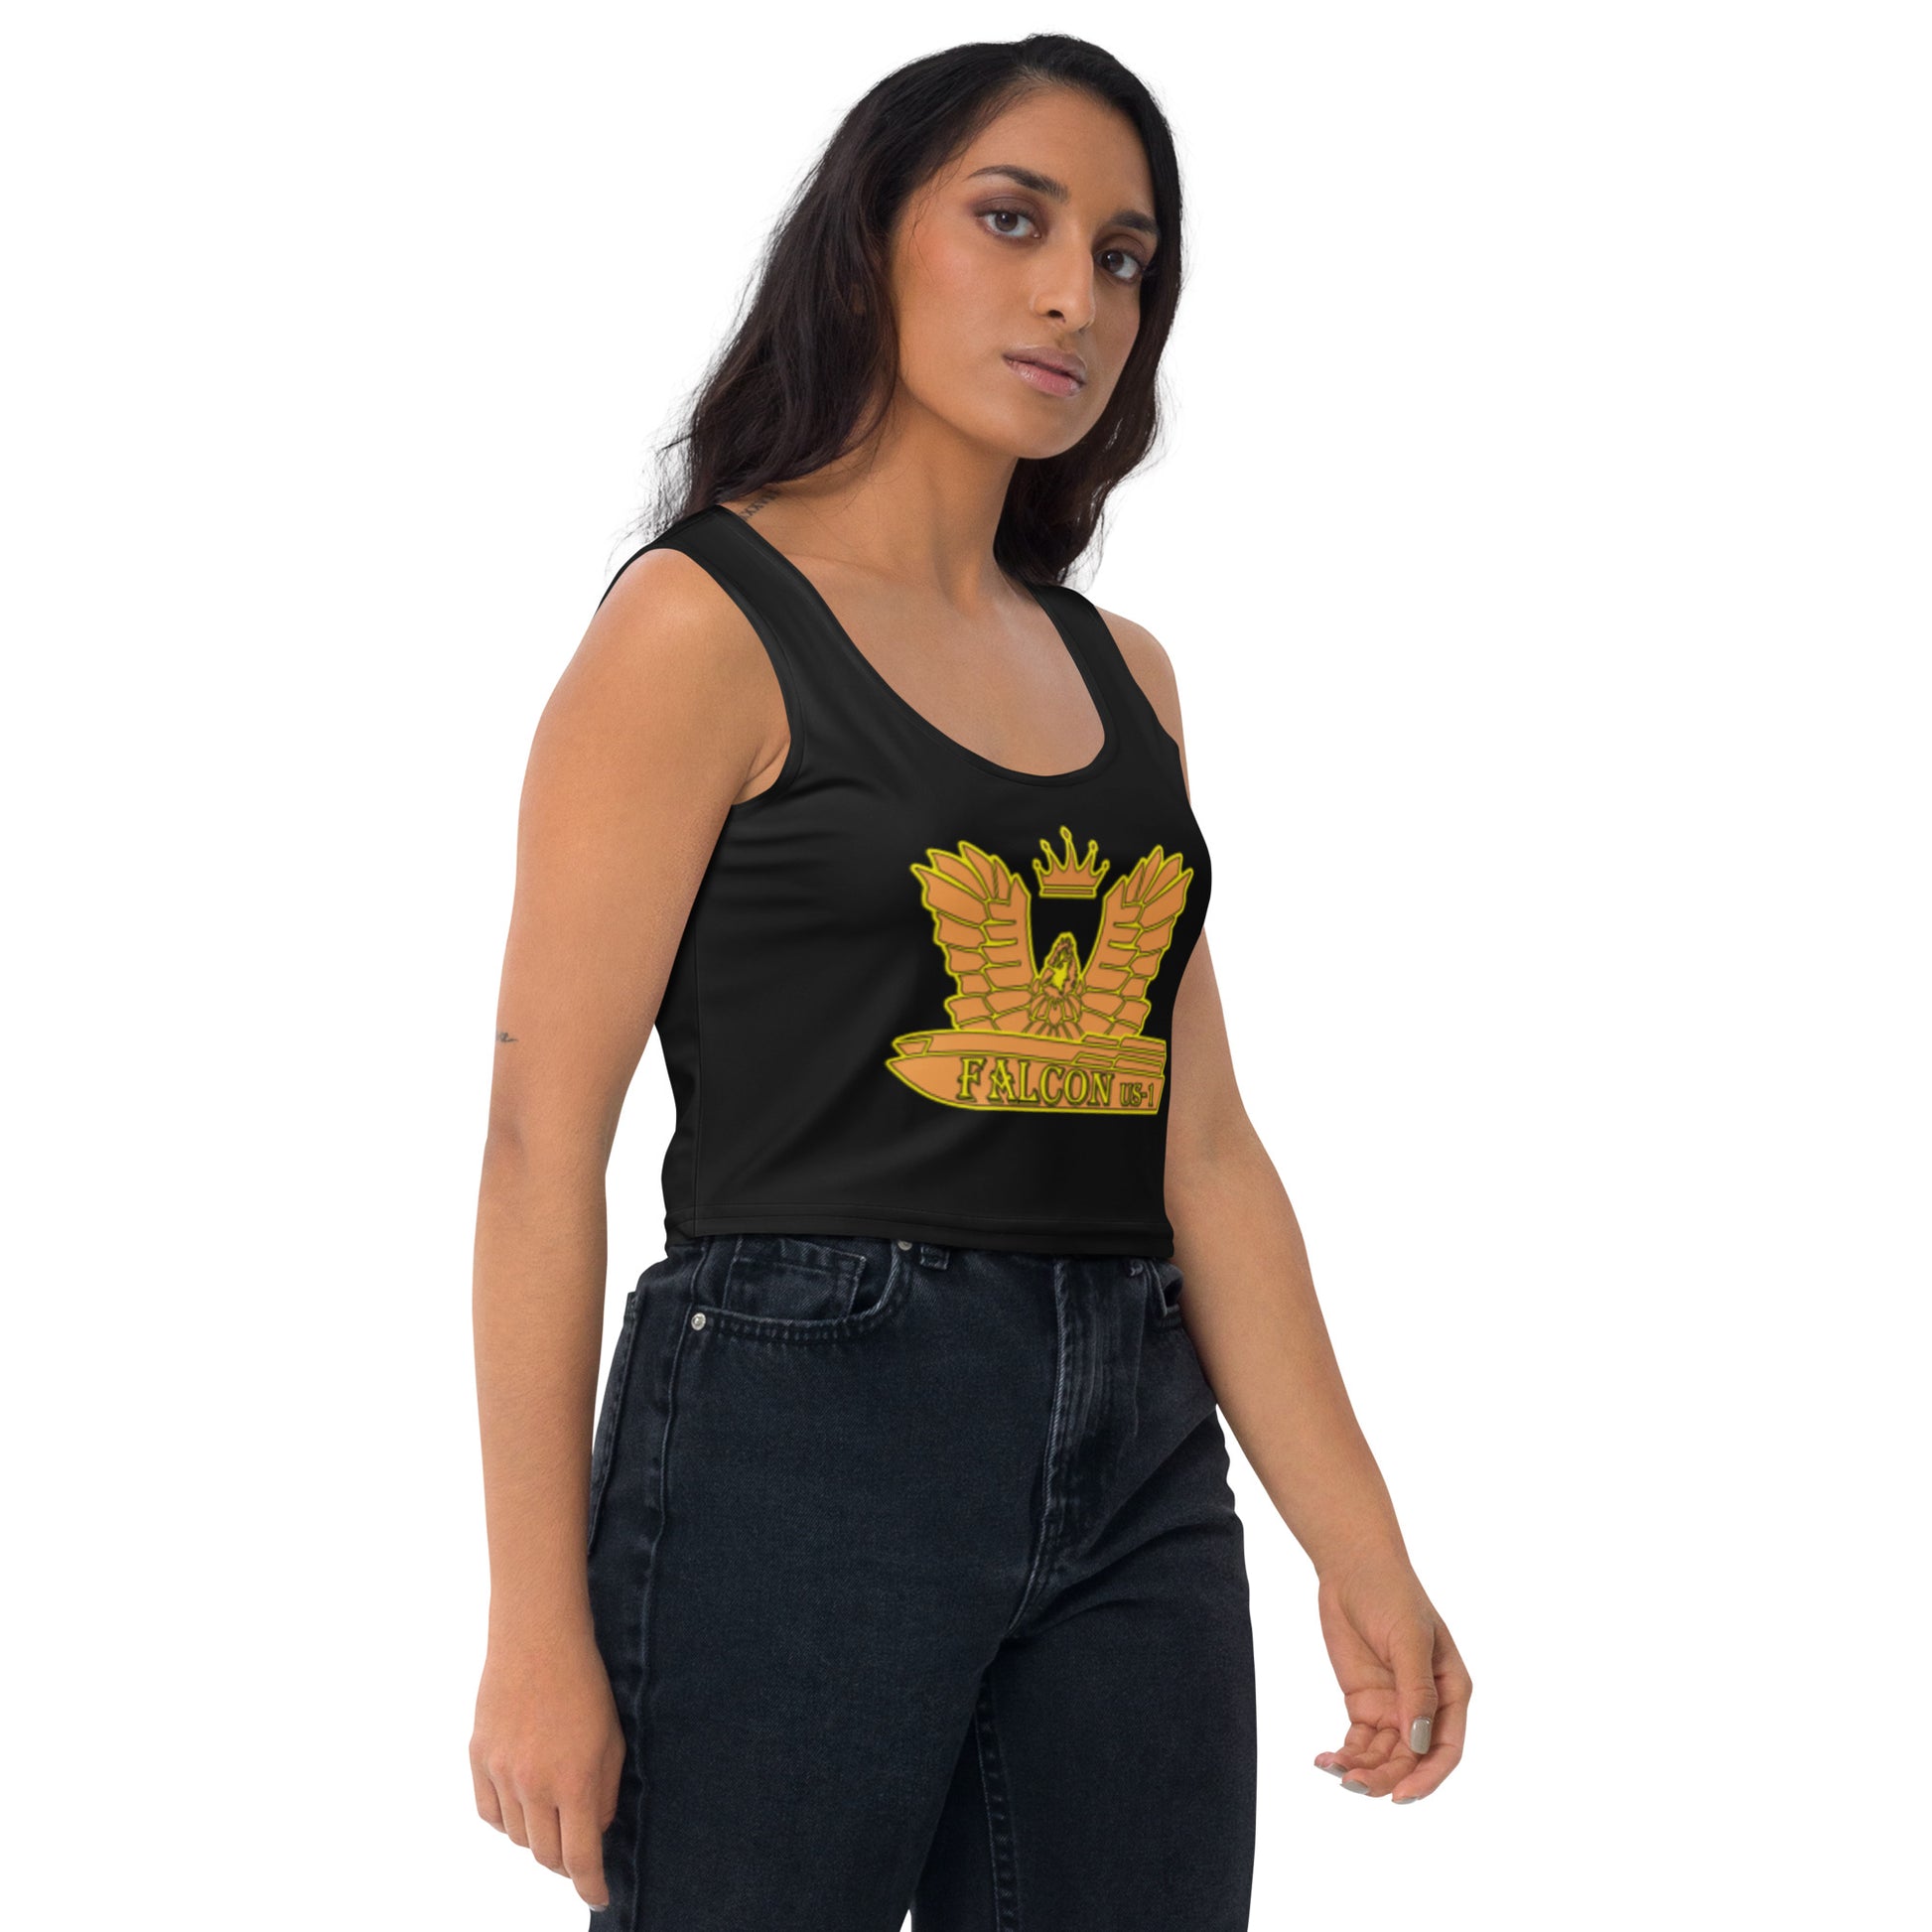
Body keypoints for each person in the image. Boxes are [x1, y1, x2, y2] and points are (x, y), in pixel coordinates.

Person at [468, 32, 1470, 1931]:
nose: (1074, 294)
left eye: (1122, 256)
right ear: (869, 240)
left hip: (1137, 1449)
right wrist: (536, 1627)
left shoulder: (1122, 676)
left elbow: (1202, 1151)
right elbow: (538, 1140)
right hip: (796, 1429)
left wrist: (1359, 1542)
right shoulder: (699, 628)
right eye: (1013, 220)